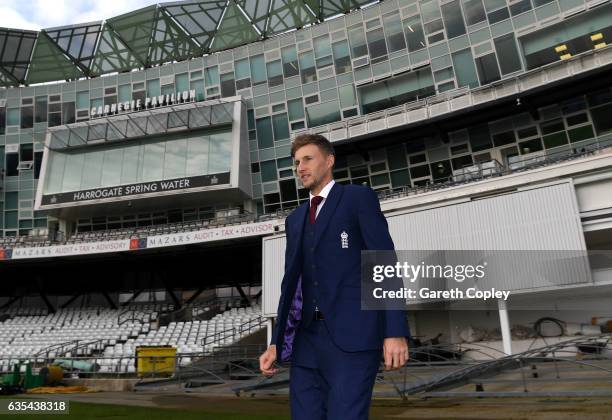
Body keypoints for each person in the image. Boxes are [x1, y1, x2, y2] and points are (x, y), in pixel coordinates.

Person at [259, 133, 410, 419]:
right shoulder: (295, 219)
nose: (300, 167)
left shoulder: (357, 198)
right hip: (306, 342)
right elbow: (291, 284)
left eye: (307, 159)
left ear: (329, 161)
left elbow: (383, 263)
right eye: (296, 163)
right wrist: (276, 342)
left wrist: (394, 331)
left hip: (353, 338)